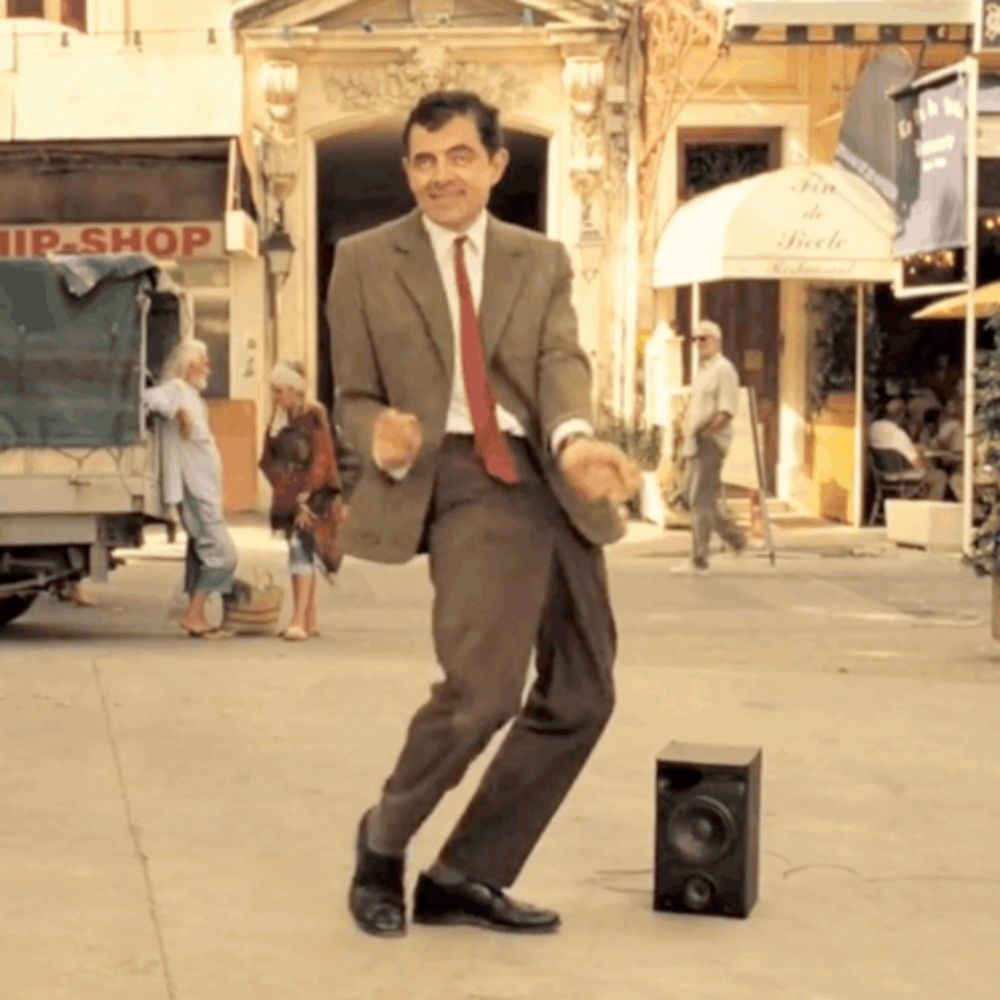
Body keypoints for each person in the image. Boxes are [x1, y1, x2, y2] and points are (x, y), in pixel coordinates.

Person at [327, 89, 640, 938]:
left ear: (496, 164)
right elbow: (350, 393)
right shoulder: (363, 259)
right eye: (424, 161)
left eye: (459, 156)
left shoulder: (539, 261)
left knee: (583, 692)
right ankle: (383, 842)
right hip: (463, 478)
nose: (441, 176)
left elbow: (558, 360)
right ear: (407, 171)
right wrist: (378, 434)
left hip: (552, 471)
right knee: (482, 692)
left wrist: (576, 441)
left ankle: (468, 874)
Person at [143, 339, 238, 638]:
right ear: (188, 365)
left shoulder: (193, 396)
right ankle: (193, 614)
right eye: (203, 360)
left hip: (205, 488)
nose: (208, 366)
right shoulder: (175, 390)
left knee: (205, 552)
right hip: (194, 489)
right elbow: (146, 397)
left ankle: (198, 615)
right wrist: (175, 412)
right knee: (223, 554)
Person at [259, 360, 345, 641]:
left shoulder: (313, 415)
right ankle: (309, 618)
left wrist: (305, 497)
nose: (276, 396)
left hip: (313, 495)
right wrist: (285, 488)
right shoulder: (278, 420)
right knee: (301, 552)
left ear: (295, 390)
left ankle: (298, 619)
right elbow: (267, 461)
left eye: (280, 390)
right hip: (288, 496)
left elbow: (321, 458)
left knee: (301, 549)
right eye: (274, 390)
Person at [671, 319, 746, 575]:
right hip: (696, 441)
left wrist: (707, 432)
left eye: (703, 339)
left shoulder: (724, 370)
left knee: (698, 500)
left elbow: (726, 410)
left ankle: (700, 560)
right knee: (694, 499)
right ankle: (735, 537)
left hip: (710, 441)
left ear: (717, 341)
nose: (698, 344)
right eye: (695, 339)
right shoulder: (703, 371)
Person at [869, 398, 949, 501]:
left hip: (882, 474)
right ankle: (929, 511)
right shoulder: (898, 434)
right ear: (901, 415)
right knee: (940, 476)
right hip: (899, 475)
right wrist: (927, 462)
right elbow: (917, 464)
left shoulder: (873, 428)